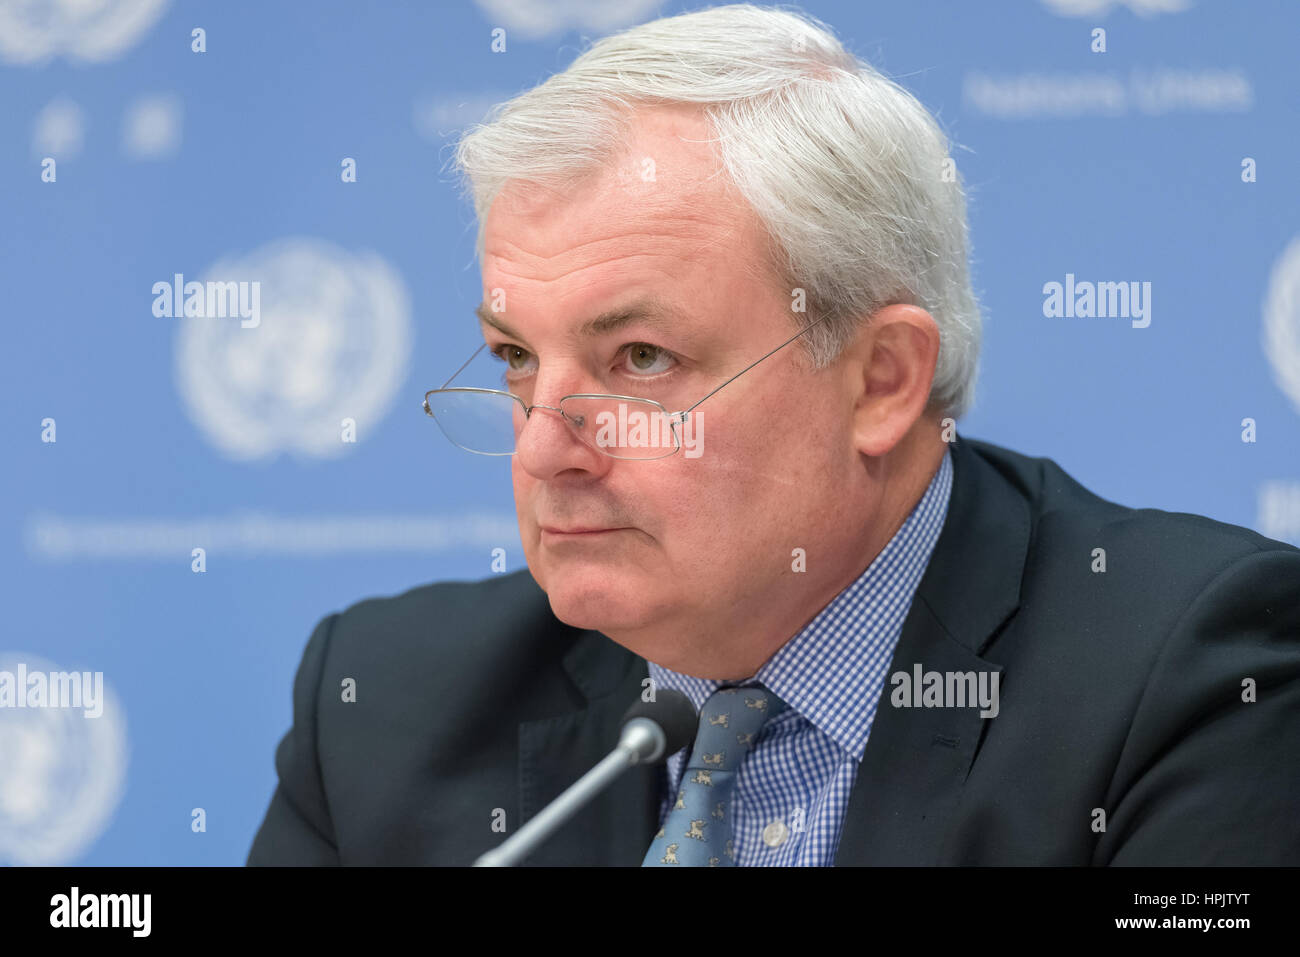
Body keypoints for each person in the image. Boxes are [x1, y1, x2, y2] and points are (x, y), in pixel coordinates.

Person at [247, 4, 1300, 866]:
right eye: (518, 359)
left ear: (880, 382)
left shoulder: (1191, 683)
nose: (541, 450)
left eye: (641, 360)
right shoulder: (384, 705)